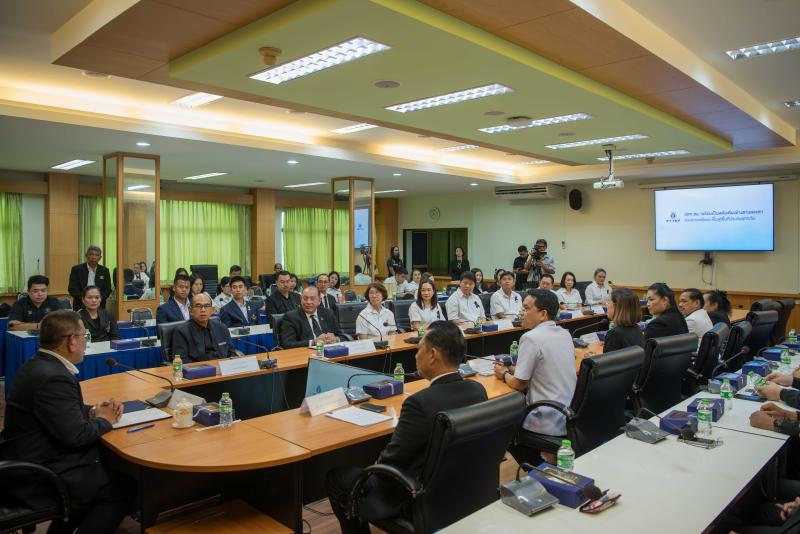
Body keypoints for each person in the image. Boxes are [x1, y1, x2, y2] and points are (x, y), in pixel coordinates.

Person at [326, 320, 487, 534]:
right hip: (466, 488)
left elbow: (391, 461)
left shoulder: (420, 403)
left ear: (432, 355)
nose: (415, 356)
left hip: (419, 496)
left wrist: (372, 469)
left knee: (338, 478)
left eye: (418, 349)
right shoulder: (477, 390)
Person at [1, 310, 131, 533]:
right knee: (122, 488)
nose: (86, 342)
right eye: (84, 336)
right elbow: (76, 436)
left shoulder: (39, 364)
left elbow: (60, 411)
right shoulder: (54, 376)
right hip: (37, 474)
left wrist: (93, 411)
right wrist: (106, 420)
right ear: (72, 341)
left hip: (28, 456)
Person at [494, 290, 576, 464]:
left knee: (500, 426)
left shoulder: (531, 338)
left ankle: (538, 467)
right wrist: (514, 368)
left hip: (545, 416)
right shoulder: (564, 333)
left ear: (543, 314)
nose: (521, 313)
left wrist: (504, 374)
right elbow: (543, 367)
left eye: (526, 308)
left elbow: (519, 384)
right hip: (569, 413)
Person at [171, 293, 235, 362]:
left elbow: (231, 353)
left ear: (212, 310)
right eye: (198, 306)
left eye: (207, 306)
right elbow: (181, 360)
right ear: (190, 310)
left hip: (222, 366)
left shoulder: (222, 328)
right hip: (198, 367)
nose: (203, 310)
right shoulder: (181, 331)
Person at [280, 286, 344, 348]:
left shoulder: (328, 313)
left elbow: (342, 336)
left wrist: (335, 339)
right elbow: (287, 344)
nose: (308, 302)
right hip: (305, 353)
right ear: (301, 300)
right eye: (305, 299)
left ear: (319, 301)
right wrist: (313, 342)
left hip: (329, 350)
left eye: (312, 299)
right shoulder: (291, 317)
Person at [68, 245, 112, 311]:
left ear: (100, 258)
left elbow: (107, 289)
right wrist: (85, 299)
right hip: (80, 304)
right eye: (91, 254)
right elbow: (72, 288)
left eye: (97, 255)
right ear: (86, 256)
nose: (93, 257)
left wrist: (98, 299)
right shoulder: (77, 269)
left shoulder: (104, 270)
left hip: (99, 305)